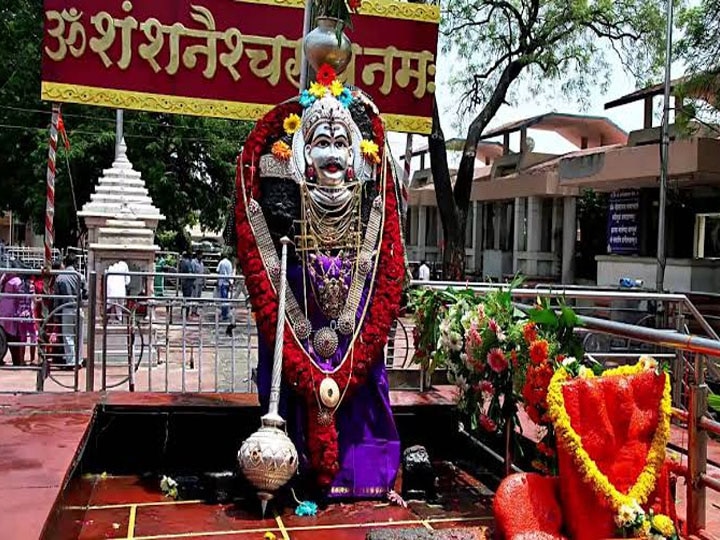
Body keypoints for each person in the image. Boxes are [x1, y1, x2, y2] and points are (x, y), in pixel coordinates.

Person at [241, 85, 404, 498]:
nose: (332, 156)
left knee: (365, 386)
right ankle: (290, 467)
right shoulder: (285, 206)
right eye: (320, 144)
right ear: (301, 156)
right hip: (302, 314)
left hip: (353, 328)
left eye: (341, 144)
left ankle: (362, 475)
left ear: (356, 157)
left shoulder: (371, 207)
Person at [54, 254, 82, 367]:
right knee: (79, 336)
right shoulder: (80, 276)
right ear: (75, 263)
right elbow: (85, 292)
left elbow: (57, 297)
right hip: (78, 307)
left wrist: (56, 313)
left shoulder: (60, 277)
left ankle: (71, 361)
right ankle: (78, 360)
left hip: (66, 309)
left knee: (68, 335)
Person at [216, 251, 233, 321]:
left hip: (223, 282)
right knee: (226, 298)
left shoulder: (222, 263)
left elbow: (219, 271)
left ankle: (224, 314)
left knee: (223, 299)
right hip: (228, 282)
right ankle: (225, 313)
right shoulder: (229, 263)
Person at [179, 252, 194, 317]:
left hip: (184, 282)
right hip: (188, 282)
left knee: (184, 298)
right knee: (187, 299)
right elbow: (190, 272)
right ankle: (186, 313)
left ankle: (184, 312)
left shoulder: (183, 262)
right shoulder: (188, 263)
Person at [191, 252, 205, 316]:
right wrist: (192, 282)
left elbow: (203, 273)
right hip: (195, 282)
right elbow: (192, 272)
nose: (201, 256)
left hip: (200, 282)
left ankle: (196, 311)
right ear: (197, 255)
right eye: (200, 255)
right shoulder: (193, 262)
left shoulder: (202, 263)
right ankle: (193, 311)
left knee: (198, 297)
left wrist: (204, 282)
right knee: (194, 297)